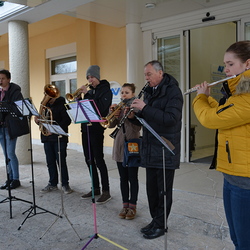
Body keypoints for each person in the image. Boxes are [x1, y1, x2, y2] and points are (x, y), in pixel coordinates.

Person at [192, 40, 250, 249]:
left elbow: (211, 120)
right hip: (233, 174)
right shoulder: (240, 91)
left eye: (230, 64)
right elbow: (225, 115)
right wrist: (207, 98)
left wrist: (199, 99)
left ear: (247, 64)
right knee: (237, 238)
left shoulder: (247, 93)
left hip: (245, 179)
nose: (225, 69)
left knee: (244, 242)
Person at [130, 60, 183, 239]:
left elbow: (170, 119)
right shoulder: (149, 92)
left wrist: (145, 108)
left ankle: (162, 225)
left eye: (149, 74)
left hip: (166, 148)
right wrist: (132, 115)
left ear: (160, 73)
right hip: (150, 147)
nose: (146, 78)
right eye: (145, 74)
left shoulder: (173, 92)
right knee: (152, 189)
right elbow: (147, 117)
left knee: (163, 191)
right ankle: (155, 220)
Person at [80, 65, 112, 204]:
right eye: (88, 77)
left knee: (99, 160)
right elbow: (82, 108)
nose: (90, 80)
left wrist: (86, 94)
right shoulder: (91, 91)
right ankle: (95, 188)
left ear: (97, 77)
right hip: (85, 129)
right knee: (89, 160)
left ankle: (106, 191)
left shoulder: (106, 91)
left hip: (96, 129)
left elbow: (100, 108)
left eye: (92, 77)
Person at [109, 83, 141, 220]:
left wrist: (131, 116)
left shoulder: (137, 106)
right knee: (123, 178)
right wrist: (113, 114)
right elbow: (109, 124)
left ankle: (132, 206)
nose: (123, 95)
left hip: (132, 145)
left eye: (127, 92)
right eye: (122, 92)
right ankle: (125, 205)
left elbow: (139, 125)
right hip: (119, 145)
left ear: (133, 94)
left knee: (132, 178)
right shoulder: (119, 107)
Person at [35, 93, 73, 194]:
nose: (47, 98)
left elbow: (67, 120)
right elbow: (42, 121)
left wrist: (55, 128)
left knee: (61, 161)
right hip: (46, 137)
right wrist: (37, 120)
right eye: (46, 95)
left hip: (59, 138)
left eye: (49, 96)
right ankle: (52, 183)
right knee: (50, 161)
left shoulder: (62, 104)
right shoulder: (44, 106)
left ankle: (65, 184)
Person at [0, 69, 25, 190]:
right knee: (5, 154)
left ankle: (16, 179)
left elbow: (18, 107)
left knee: (10, 153)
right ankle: (9, 178)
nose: (0, 81)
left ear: (8, 79)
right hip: (1, 127)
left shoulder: (15, 91)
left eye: (3, 78)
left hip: (10, 127)